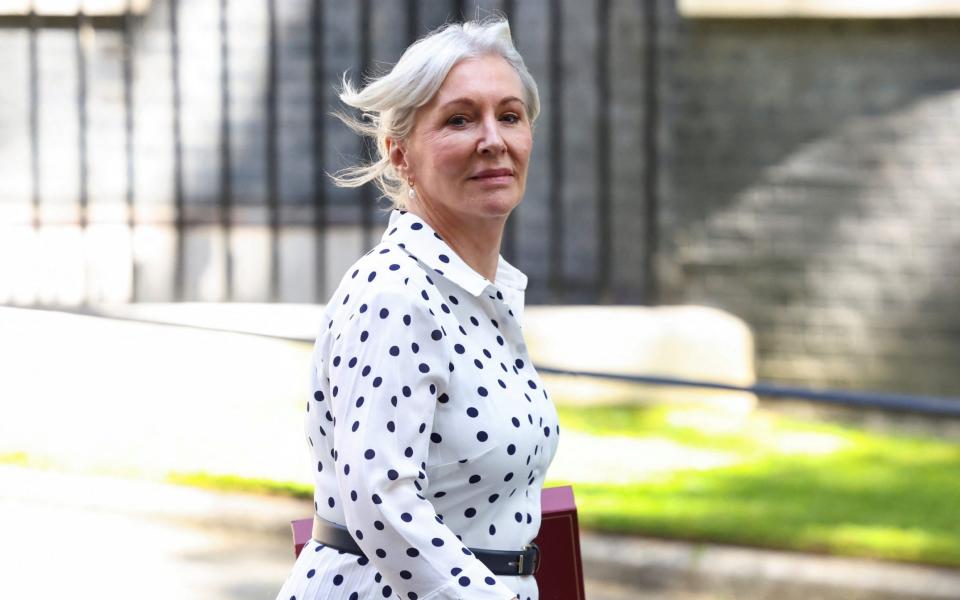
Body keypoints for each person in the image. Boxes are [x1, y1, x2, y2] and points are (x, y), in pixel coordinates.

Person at [275, 16, 559, 600]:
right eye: (459, 119)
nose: (492, 140)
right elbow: (383, 502)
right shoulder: (395, 293)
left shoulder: (482, 293)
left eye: (509, 116)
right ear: (398, 152)